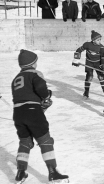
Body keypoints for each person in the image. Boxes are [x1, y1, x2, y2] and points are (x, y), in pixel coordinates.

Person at [11, 49, 69, 183]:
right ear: (33, 63)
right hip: (32, 111)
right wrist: (46, 96)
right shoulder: (34, 74)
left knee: (25, 142)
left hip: (18, 113)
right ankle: (53, 173)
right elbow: (40, 86)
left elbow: (23, 95)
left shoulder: (16, 79)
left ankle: (20, 173)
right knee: (45, 141)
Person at [72, 30, 104, 98]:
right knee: (89, 77)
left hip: (98, 63)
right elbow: (79, 50)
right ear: (93, 40)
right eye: (98, 40)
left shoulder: (101, 47)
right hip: (89, 63)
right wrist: (76, 59)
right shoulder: (87, 45)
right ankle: (86, 92)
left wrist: (103, 64)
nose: (100, 41)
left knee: (101, 77)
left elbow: (103, 57)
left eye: (100, 40)